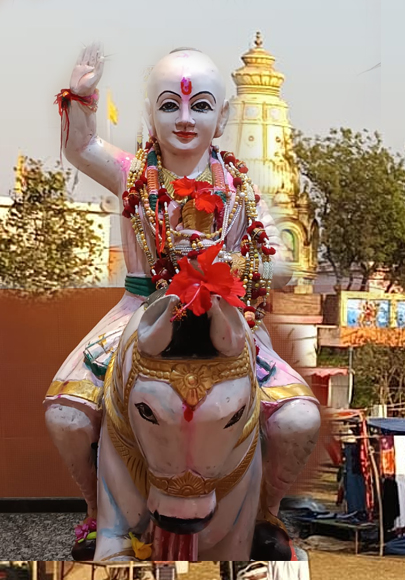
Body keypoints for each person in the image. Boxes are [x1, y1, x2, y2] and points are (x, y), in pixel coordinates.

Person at [44, 43, 321, 560]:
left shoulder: (239, 188)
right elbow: (81, 149)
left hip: (223, 312)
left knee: (299, 419)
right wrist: (80, 99)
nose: (186, 119)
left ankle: (266, 513)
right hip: (140, 308)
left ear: (222, 117)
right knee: (66, 414)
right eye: (170, 105)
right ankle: (94, 511)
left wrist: (229, 263)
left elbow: (281, 259)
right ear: (151, 114)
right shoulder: (135, 175)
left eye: (200, 106)